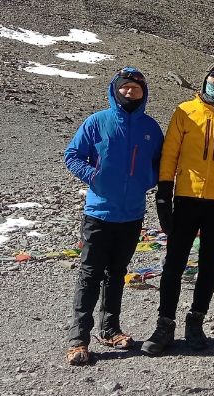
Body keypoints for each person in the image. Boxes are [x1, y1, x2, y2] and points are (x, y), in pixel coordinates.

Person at [142, 62, 214, 355]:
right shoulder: (184, 111)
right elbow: (170, 153)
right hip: (186, 198)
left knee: (208, 265)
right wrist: (164, 192)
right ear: (205, 78)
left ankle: (196, 322)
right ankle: (164, 324)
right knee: (174, 263)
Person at [64, 67, 164, 366]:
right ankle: (78, 338)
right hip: (98, 213)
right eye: (125, 87)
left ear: (144, 93)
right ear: (115, 89)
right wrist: (93, 176)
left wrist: (148, 179)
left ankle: (110, 329)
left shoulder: (150, 128)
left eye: (136, 88)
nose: (130, 92)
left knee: (116, 275)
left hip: (132, 214)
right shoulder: (98, 122)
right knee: (90, 275)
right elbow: (72, 155)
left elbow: (161, 161)